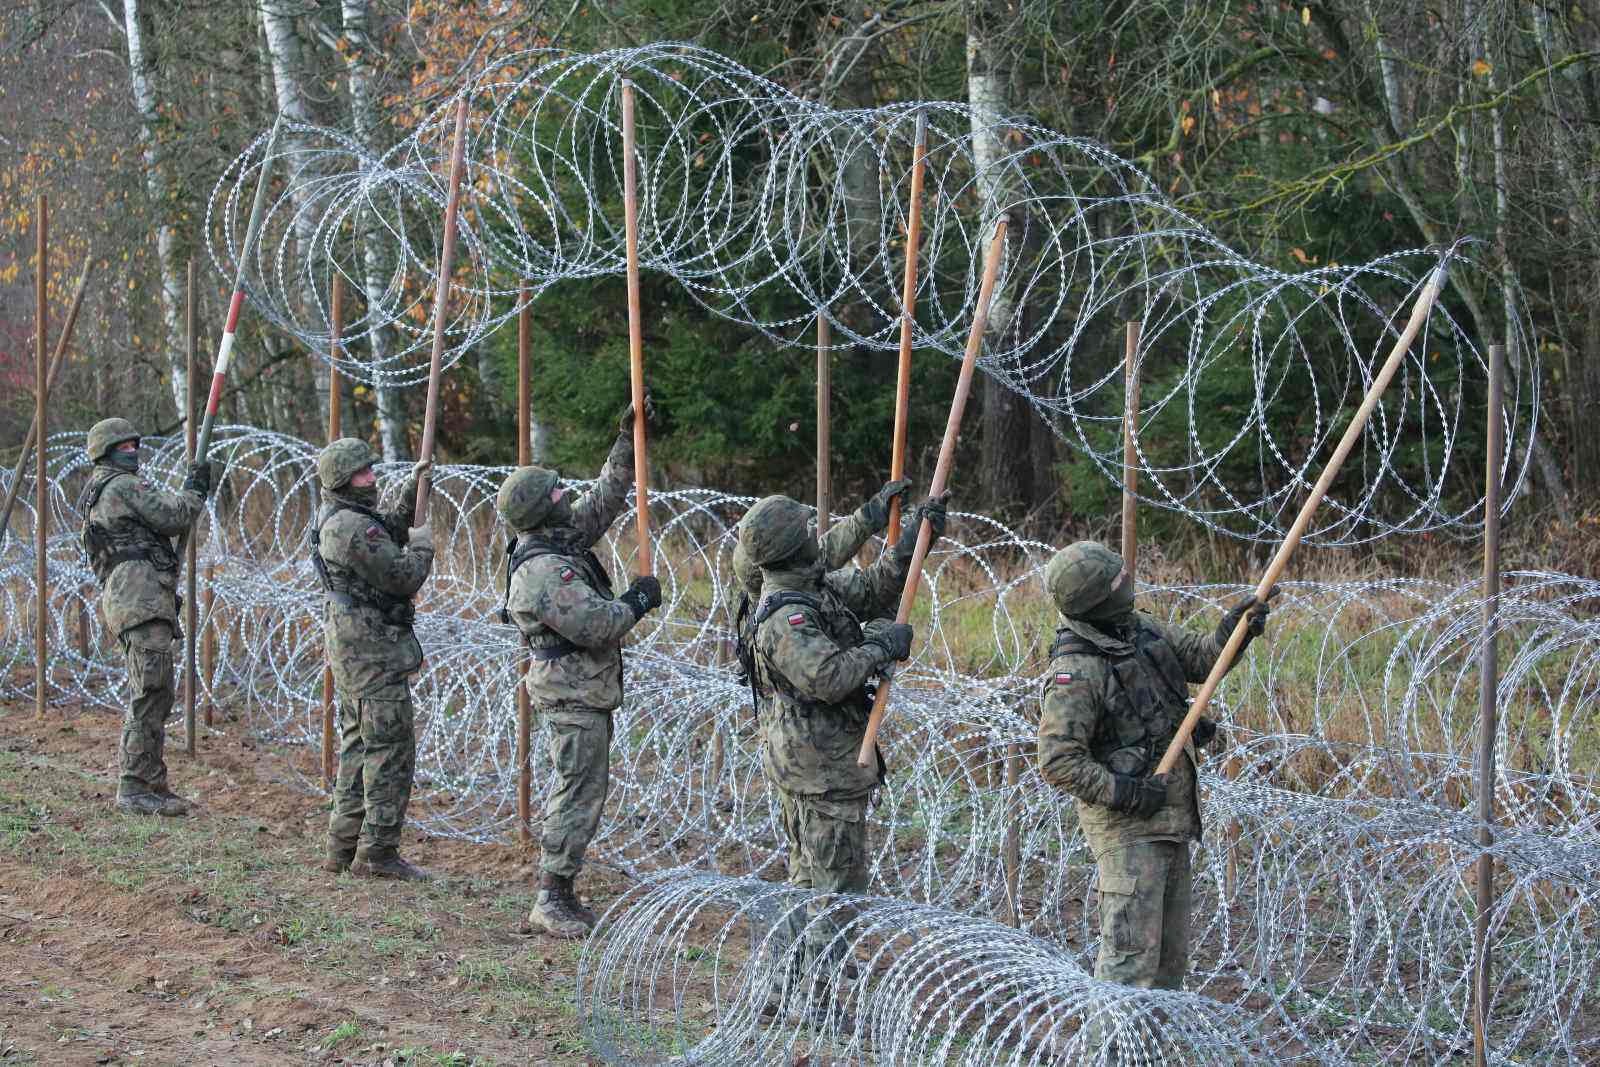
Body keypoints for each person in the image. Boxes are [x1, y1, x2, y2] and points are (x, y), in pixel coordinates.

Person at [737, 488, 947, 1014]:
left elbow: (872, 588)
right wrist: (880, 647)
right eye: (807, 529)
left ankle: (784, 983)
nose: (817, 535)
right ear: (793, 547)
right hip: (819, 765)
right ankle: (819, 997)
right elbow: (828, 677)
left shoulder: (810, 586)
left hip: (814, 759)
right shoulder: (785, 614)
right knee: (836, 885)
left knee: (808, 877)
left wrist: (912, 542)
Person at [1036, 541, 1271, 992]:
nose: (1128, 583)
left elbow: (1202, 658)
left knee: (1167, 968)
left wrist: (1234, 633)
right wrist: (1126, 793)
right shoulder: (1077, 670)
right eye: (1117, 582)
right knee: (1129, 968)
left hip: (1172, 817)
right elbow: (1058, 760)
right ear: (1096, 600)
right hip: (1129, 832)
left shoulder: (1137, 627)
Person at [498, 402, 661, 938]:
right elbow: (596, 625)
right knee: (576, 792)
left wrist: (629, 440)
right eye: (555, 493)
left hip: (583, 690)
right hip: (571, 694)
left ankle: (559, 889)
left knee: (582, 789)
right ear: (541, 511)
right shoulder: (543, 569)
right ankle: (552, 897)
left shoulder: (557, 538)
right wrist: (637, 601)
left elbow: (606, 500)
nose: (565, 496)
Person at [312, 439, 434, 880]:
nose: (372, 478)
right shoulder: (349, 527)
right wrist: (423, 547)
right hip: (373, 652)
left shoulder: (345, 517)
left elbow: (387, 528)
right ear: (344, 481)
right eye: (363, 473)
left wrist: (414, 490)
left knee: (359, 745)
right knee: (388, 748)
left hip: (356, 650)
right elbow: (401, 575)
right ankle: (378, 853)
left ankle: (342, 846)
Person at [79, 418, 211, 817]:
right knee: (151, 692)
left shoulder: (97, 489)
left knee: (156, 690)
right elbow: (172, 516)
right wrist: (195, 489)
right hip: (140, 598)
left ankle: (152, 781)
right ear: (106, 452)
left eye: (136, 444)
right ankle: (135, 786)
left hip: (132, 597)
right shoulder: (121, 485)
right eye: (124, 446)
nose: (133, 451)